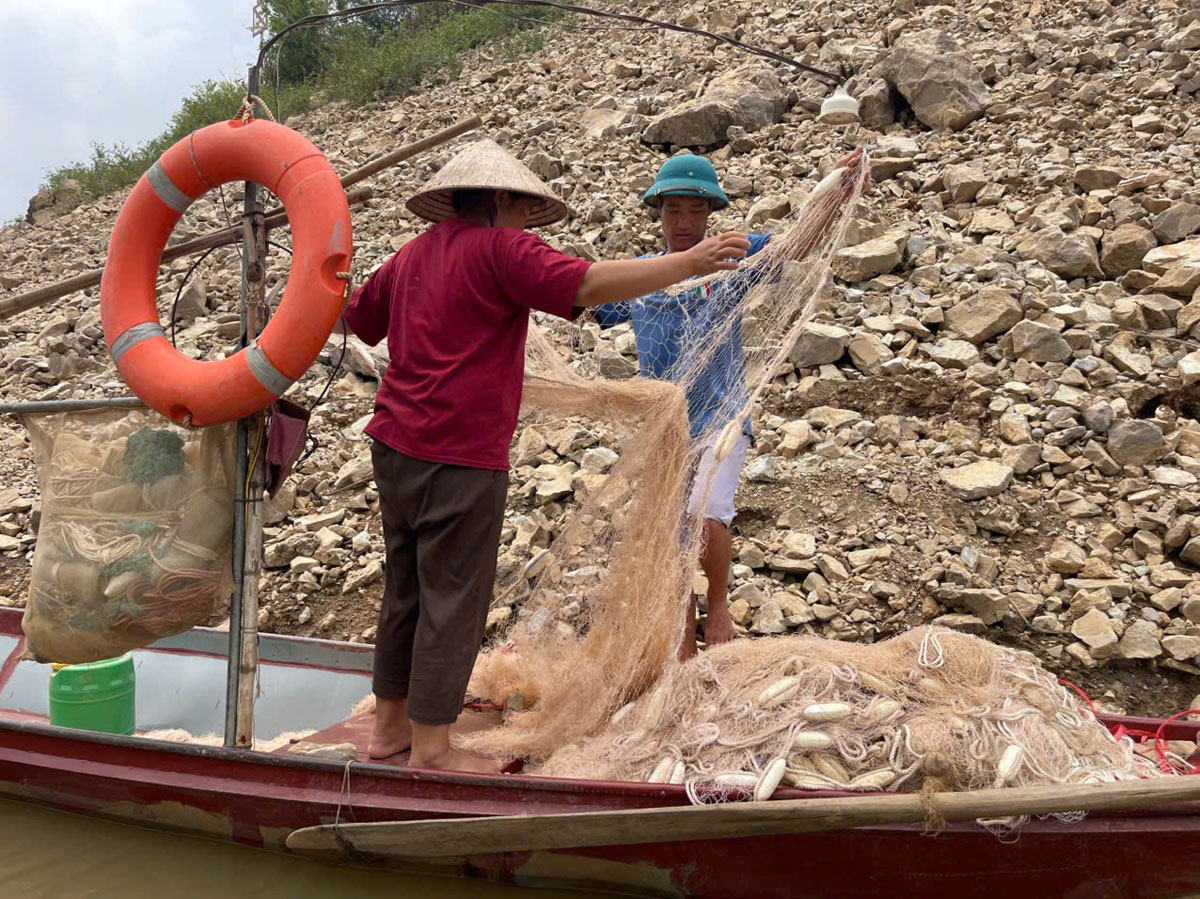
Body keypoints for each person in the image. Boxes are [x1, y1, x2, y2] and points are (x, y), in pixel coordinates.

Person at [341, 138, 750, 773]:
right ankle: (432, 748)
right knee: (453, 597)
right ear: (500, 199)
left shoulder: (410, 255)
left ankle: (391, 728)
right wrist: (688, 263)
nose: (525, 222)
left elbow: (356, 321)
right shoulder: (503, 249)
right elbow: (587, 282)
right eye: (521, 210)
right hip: (461, 454)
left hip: (393, 445)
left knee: (407, 590)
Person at [592, 150, 864, 657]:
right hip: (666, 427)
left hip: (723, 416)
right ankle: (682, 636)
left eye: (695, 210)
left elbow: (796, 243)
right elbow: (585, 301)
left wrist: (834, 192)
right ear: (658, 212)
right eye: (674, 210)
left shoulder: (731, 257)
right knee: (670, 535)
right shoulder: (641, 276)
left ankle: (717, 605)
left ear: (710, 212)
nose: (684, 222)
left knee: (708, 513)